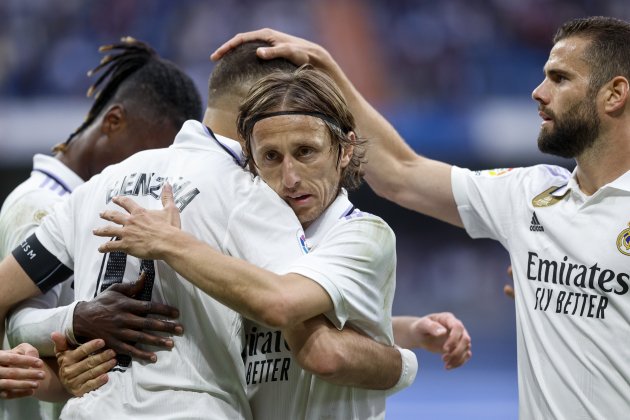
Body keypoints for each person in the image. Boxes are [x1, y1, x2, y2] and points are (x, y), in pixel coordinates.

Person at [0, 41, 469, 419]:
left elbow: (8, 295)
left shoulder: (102, 185)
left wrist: (72, 320)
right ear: (264, 111)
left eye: (305, 152)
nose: (288, 176)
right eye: (273, 155)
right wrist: (404, 361)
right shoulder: (249, 197)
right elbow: (294, 318)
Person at [211, 16, 630, 420]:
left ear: (614, 94)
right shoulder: (532, 193)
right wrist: (326, 67)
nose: (538, 92)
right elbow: (401, 174)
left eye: (560, 78)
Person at [0, 37, 201, 419]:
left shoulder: (87, 202)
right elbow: (17, 328)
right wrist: (79, 319)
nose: (149, 172)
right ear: (113, 121)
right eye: (145, 154)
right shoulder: (43, 204)